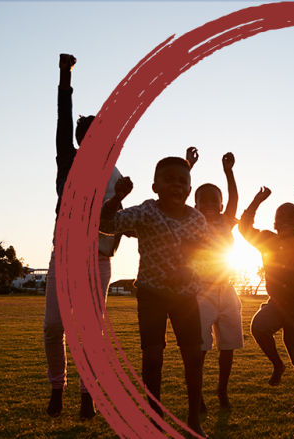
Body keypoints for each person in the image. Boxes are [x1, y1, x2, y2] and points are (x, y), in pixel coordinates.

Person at [100, 157, 209, 436]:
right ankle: (154, 415)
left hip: (186, 297)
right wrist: (117, 199)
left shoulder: (197, 219)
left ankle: (193, 419)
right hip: (151, 295)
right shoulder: (147, 211)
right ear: (155, 186)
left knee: (193, 357)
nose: (176, 184)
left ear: (189, 188)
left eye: (182, 181)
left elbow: (208, 253)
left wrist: (191, 270)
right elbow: (107, 225)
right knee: (152, 356)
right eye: (169, 179)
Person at [44, 53, 124, 420]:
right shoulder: (68, 159)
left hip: (98, 259)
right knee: (54, 327)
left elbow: (113, 223)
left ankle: (87, 394)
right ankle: (57, 389)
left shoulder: (112, 174)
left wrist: (119, 200)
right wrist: (65, 76)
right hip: (64, 255)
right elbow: (63, 118)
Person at [239, 183, 294, 410]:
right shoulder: (267, 239)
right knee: (258, 327)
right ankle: (278, 365)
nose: (284, 219)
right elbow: (244, 228)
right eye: (280, 216)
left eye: (291, 217)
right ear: (274, 224)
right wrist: (257, 200)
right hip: (278, 304)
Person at [192, 152, 243, 411]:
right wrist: (188, 167)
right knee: (200, 346)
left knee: (229, 344)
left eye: (215, 200)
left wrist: (229, 171)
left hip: (227, 290)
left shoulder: (225, 221)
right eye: (204, 200)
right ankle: (197, 394)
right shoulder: (192, 222)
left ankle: (222, 391)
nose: (211, 203)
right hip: (201, 291)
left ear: (221, 205)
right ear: (195, 205)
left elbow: (234, 198)